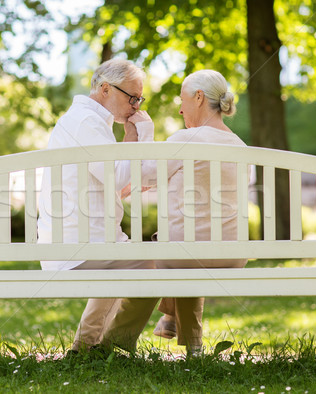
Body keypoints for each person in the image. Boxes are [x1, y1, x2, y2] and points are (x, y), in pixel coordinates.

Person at [100, 69, 248, 356]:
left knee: (155, 260)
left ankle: (114, 343)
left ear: (199, 98)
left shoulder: (187, 138)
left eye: (183, 100)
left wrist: (144, 131)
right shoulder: (238, 144)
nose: (180, 109)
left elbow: (141, 170)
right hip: (233, 253)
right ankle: (190, 343)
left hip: (187, 253)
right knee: (189, 246)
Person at [36, 58, 155, 352]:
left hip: (83, 242)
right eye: (132, 97)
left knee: (131, 260)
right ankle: (108, 346)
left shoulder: (88, 121)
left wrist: (131, 148)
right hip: (77, 246)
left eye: (139, 99)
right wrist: (143, 136)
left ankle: (86, 348)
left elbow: (115, 186)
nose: (137, 106)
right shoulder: (87, 122)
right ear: (105, 89)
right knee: (156, 264)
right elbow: (116, 177)